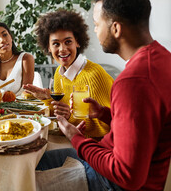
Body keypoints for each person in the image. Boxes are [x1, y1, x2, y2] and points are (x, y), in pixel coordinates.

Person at [37, 0, 171, 190]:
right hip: (108, 155)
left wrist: (76, 138)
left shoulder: (132, 81)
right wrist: (106, 114)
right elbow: (143, 125)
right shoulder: (161, 58)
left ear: (116, 28)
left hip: (112, 181)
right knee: (37, 162)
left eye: (97, 24)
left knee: (28, 181)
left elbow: (127, 176)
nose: (96, 30)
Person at [23, 10, 114, 139]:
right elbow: (62, 112)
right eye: (56, 44)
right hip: (72, 138)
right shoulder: (59, 73)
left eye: (68, 42)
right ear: (48, 47)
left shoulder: (94, 75)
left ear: (77, 42)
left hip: (96, 146)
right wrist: (46, 98)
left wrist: (70, 117)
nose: (62, 49)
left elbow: (106, 127)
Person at [0, 22, 34, 95]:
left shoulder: (25, 59)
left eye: (5, 35)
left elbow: (26, 92)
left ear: (11, 37)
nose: (2, 40)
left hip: (19, 105)